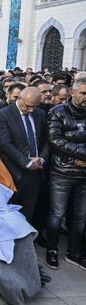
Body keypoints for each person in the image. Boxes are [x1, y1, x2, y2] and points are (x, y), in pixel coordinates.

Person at [45, 78, 86, 270]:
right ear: (73, 93)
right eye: (83, 93)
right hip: (62, 171)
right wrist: (82, 153)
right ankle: (52, 250)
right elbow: (55, 140)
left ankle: (74, 252)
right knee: (57, 213)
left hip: (84, 172)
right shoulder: (58, 112)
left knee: (80, 215)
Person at [0, 87, 49, 223]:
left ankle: (25, 240)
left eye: (35, 107)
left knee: (28, 210)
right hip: (13, 171)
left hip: (36, 171)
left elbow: (47, 140)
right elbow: (5, 144)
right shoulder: (3, 115)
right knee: (10, 211)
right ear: (19, 98)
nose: (31, 110)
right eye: (28, 106)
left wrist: (41, 159)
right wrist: (27, 162)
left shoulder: (40, 114)